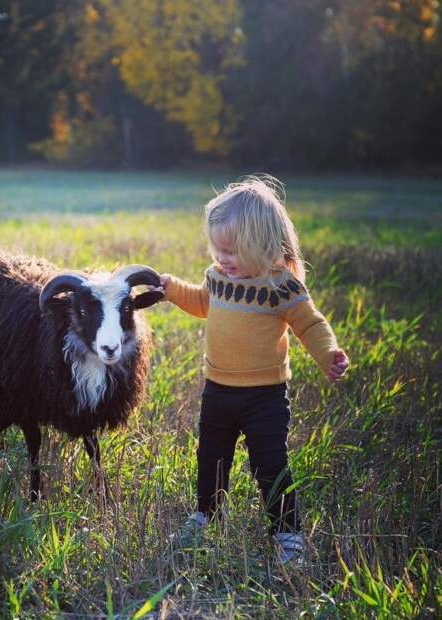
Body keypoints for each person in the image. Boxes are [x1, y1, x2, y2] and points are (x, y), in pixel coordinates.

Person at [157, 175, 349, 564]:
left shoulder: (282, 287)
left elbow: (310, 324)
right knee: (211, 455)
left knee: (270, 463)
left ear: (261, 244)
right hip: (218, 389)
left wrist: (329, 354)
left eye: (232, 251)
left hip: (265, 396)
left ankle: (286, 532)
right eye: (217, 249)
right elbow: (200, 302)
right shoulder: (217, 277)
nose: (222, 259)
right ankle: (205, 514)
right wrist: (170, 288)